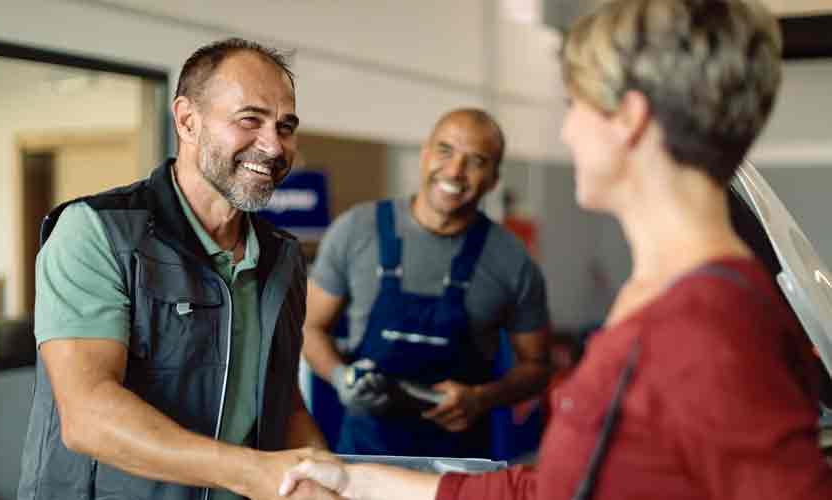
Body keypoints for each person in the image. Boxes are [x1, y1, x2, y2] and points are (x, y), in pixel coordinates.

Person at [278, 1, 832, 498]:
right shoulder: (659, 302)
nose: (566, 131)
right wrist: (353, 478)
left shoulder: (709, 328)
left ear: (630, 120)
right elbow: (555, 488)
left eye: (574, 104)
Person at [18, 38, 338, 500]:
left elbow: (283, 403)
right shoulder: (95, 232)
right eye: (250, 120)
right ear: (188, 120)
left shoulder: (282, 257)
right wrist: (252, 473)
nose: (272, 145)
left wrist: (326, 478)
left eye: (285, 126)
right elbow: (88, 415)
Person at [303, 108, 552, 457]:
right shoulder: (356, 230)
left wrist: (481, 399)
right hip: (364, 462)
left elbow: (538, 367)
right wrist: (339, 377)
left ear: (494, 179)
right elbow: (309, 328)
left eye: (476, 161)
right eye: (445, 151)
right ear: (424, 155)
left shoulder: (513, 261)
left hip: (457, 468)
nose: (454, 171)